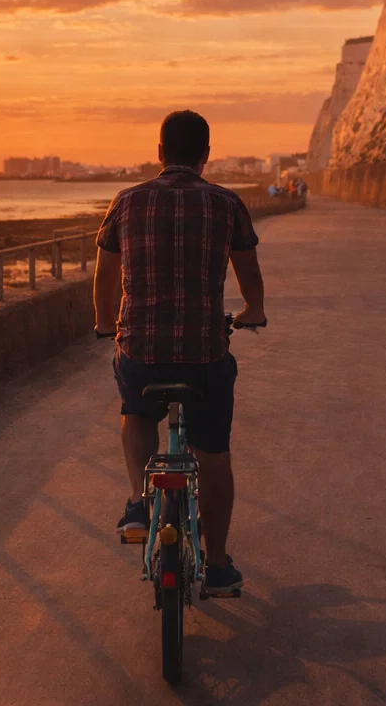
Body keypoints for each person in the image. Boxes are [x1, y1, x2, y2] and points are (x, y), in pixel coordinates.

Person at [93, 109, 268, 596]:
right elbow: (248, 273)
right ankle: (215, 565)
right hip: (205, 355)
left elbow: (105, 275)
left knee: (136, 410)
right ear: (206, 156)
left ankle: (137, 500)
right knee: (213, 453)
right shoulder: (225, 203)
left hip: (141, 351)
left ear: (159, 153)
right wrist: (253, 309)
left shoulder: (126, 202)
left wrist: (107, 323)